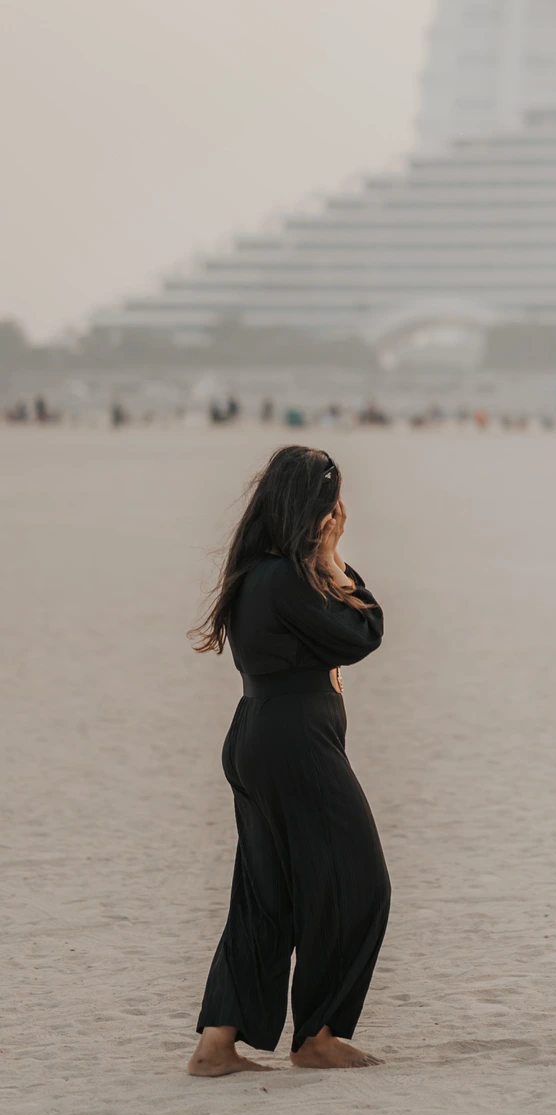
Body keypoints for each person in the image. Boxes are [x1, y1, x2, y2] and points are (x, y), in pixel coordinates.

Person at [187, 446, 391, 1076]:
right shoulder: (285, 577)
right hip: (293, 743)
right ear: (313, 508)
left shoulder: (262, 572)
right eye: (331, 503)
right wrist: (331, 558)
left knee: (266, 894)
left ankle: (217, 1045)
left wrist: (323, 559)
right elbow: (362, 632)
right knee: (356, 883)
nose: (338, 515)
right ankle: (319, 1036)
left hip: (261, 737)